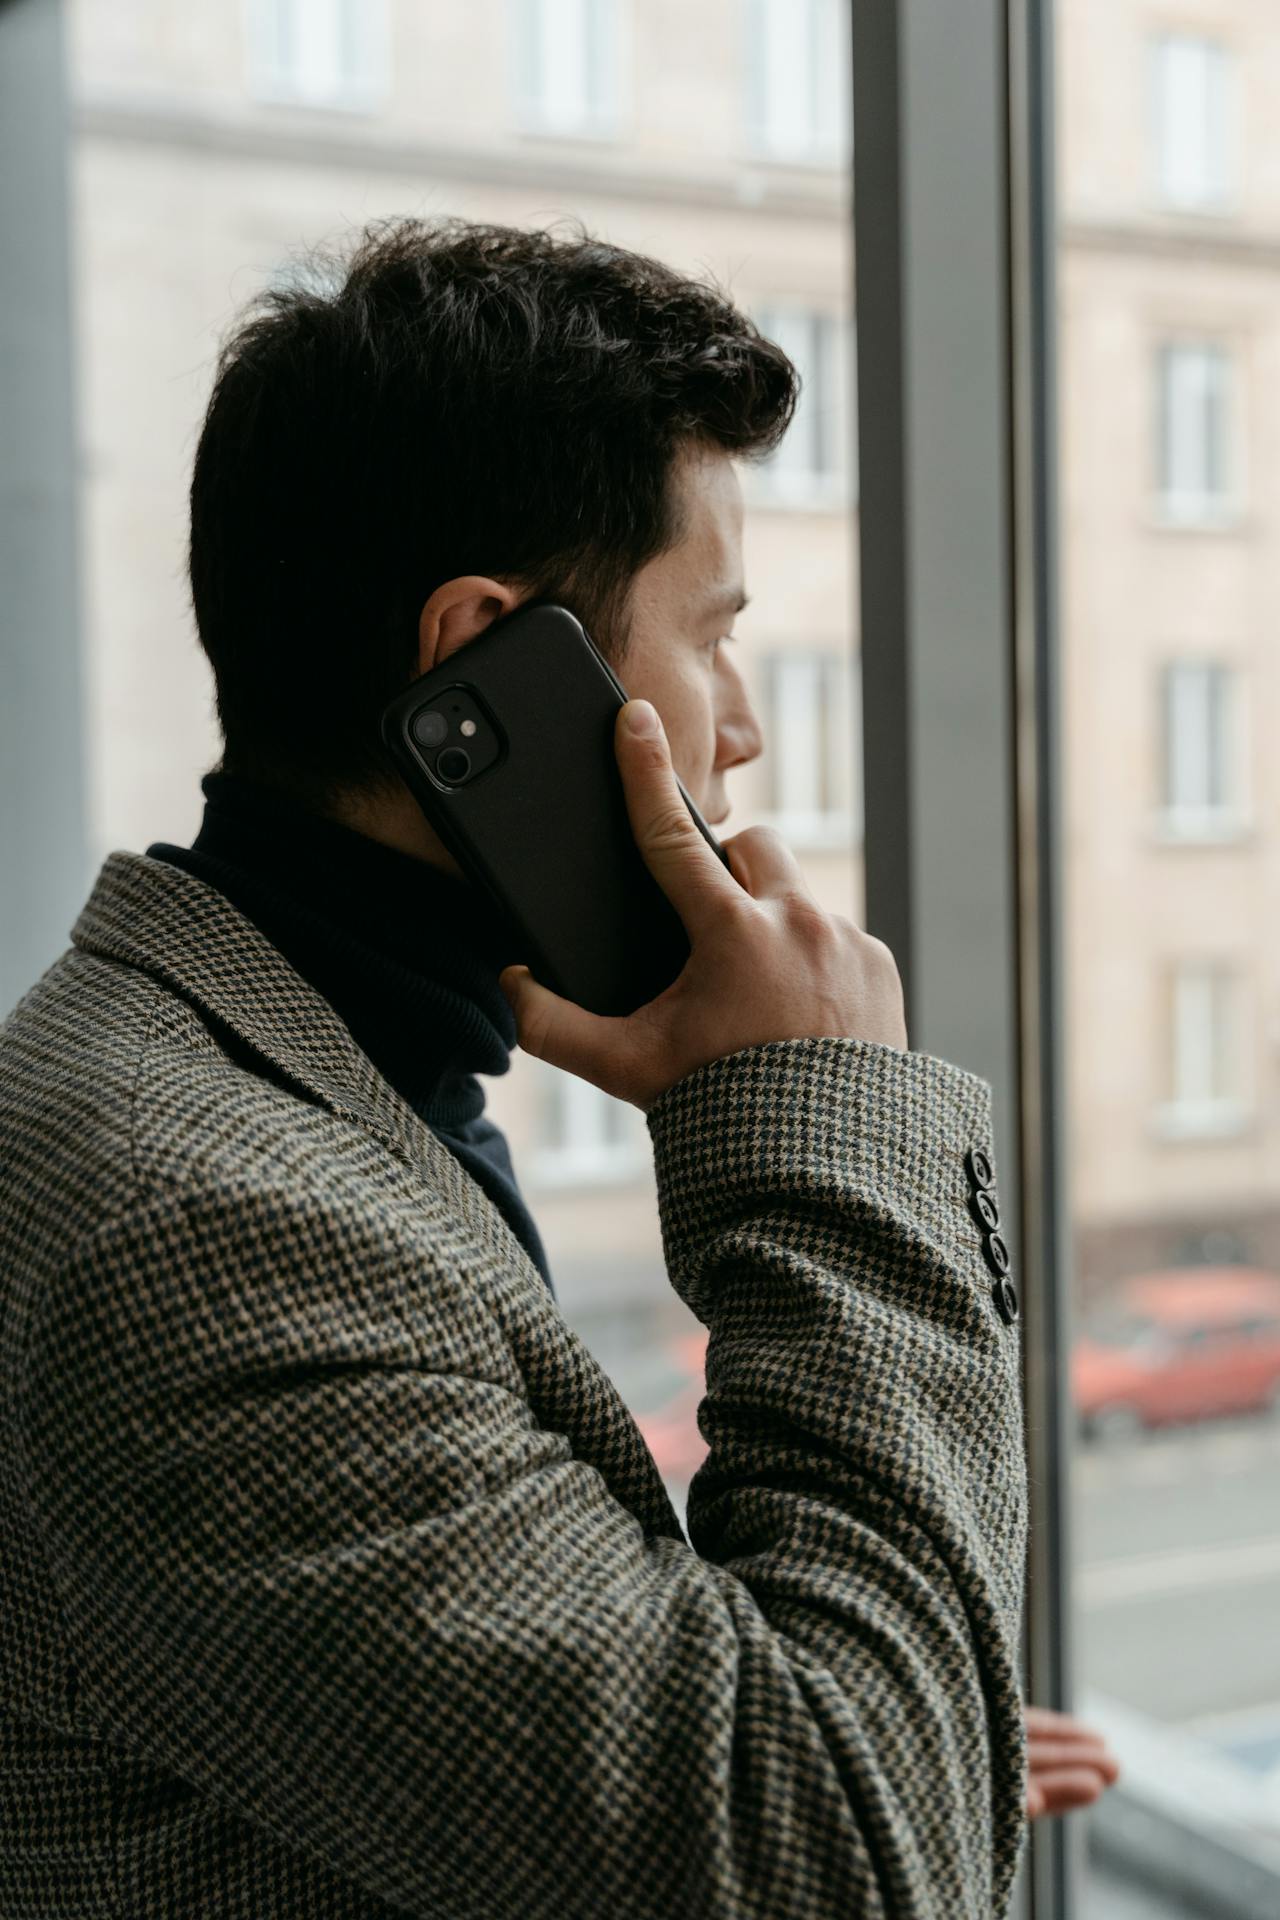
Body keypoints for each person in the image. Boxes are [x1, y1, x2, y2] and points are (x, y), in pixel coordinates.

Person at [0, 217, 1106, 1919]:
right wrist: (826, 1117)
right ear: (482, 673)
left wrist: (865, 1709)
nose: (738, 728)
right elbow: (845, 1875)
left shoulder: (268, 1064)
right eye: (710, 633)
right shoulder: (200, 1229)